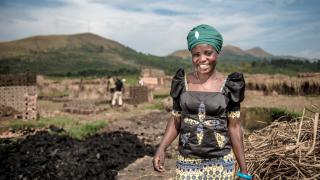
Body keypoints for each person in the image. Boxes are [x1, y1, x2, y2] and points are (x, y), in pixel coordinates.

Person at [153, 24, 252, 180]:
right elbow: (176, 120)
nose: (202, 59)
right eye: (196, 54)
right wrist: (161, 148)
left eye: (208, 53)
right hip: (187, 164)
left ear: (217, 53)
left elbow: (234, 128)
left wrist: (244, 171)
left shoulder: (229, 86)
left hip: (221, 164)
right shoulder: (182, 83)